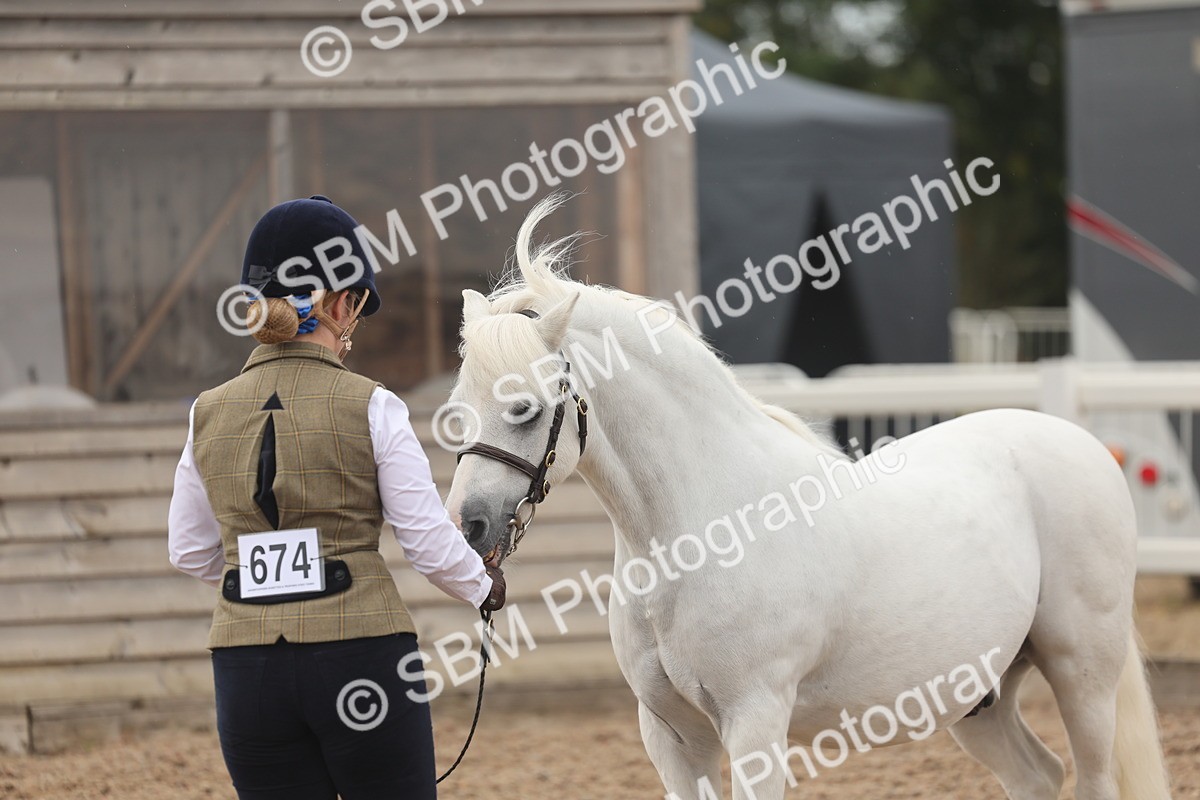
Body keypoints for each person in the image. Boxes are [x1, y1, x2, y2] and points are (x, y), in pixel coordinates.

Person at [167, 195, 504, 800]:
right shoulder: (373, 404)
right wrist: (483, 586)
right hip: (361, 658)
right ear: (341, 302)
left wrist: (260, 573)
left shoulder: (206, 412)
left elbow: (190, 552)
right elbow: (427, 543)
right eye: (358, 309)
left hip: (246, 672)